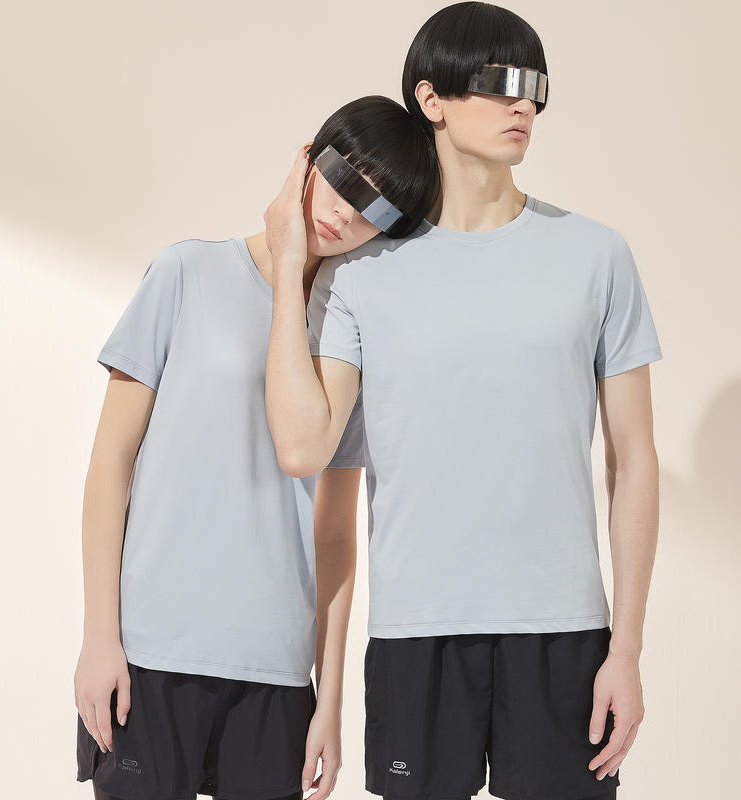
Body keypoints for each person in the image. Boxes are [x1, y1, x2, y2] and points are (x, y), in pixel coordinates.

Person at [264, 4, 662, 800]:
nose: (523, 104)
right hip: (416, 630)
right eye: (499, 83)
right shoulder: (362, 273)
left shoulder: (596, 255)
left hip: (563, 630)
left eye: (535, 87)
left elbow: (634, 461)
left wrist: (626, 650)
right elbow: (305, 449)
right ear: (431, 98)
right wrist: (287, 266)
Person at [74, 95, 440, 800]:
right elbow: (110, 465)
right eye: (344, 178)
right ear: (308, 158)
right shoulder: (185, 272)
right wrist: (98, 638)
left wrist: (329, 700)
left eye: (378, 208)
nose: (347, 211)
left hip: (275, 670)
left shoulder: (347, 334)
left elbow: (335, 534)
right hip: (150, 653)